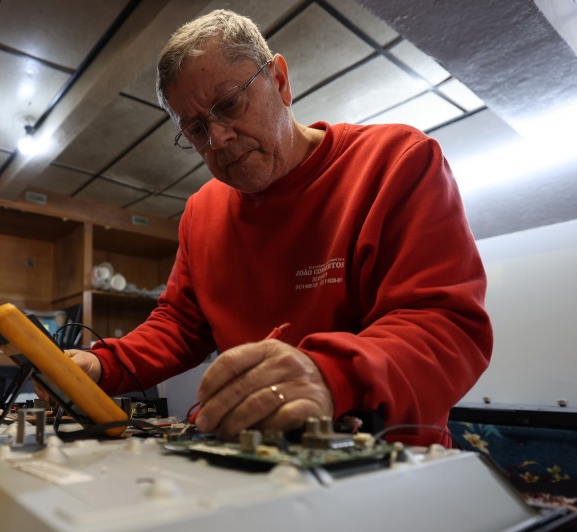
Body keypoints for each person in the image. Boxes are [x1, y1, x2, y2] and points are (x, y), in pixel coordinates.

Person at [67, 9, 492, 447]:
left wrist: (331, 376)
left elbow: (445, 326)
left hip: (387, 459)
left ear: (280, 81)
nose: (218, 138)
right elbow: (180, 325)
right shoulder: (201, 211)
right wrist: (101, 366)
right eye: (196, 129)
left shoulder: (396, 161)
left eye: (229, 104)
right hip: (253, 459)